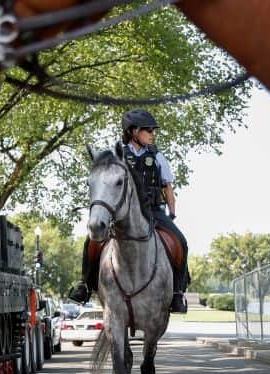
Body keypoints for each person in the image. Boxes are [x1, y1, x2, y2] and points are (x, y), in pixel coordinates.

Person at [69, 109, 189, 313]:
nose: (152, 134)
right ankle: (85, 285)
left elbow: (167, 187)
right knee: (91, 241)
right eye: (148, 130)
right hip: (124, 213)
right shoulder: (118, 156)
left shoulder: (157, 156)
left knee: (181, 241)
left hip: (153, 210)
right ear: (133, 132)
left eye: (153, 130)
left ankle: (177, 292)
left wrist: (172, 213)